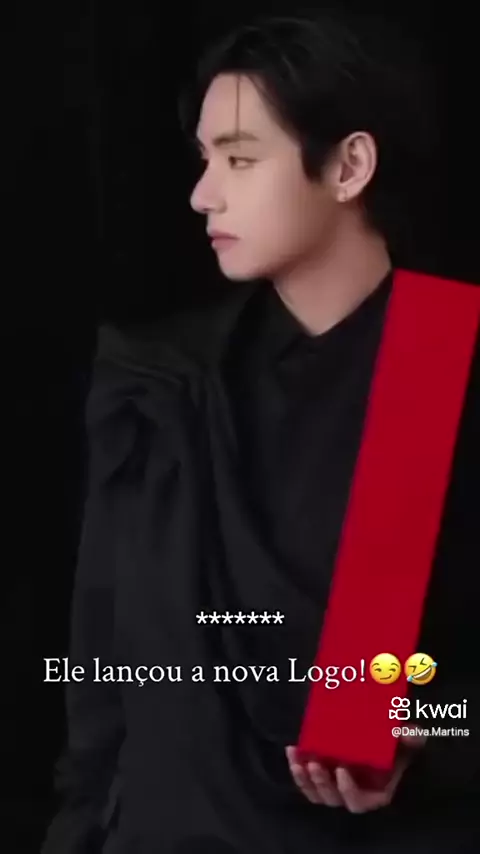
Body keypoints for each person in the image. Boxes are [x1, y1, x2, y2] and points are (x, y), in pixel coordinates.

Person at [42, 9, 479, 854]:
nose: (203, 194)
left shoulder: (442, 368)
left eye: (240, 159)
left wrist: (433, 735)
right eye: (206, 160)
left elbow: (443, 706)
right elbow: (103, 685)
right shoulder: (160, 383)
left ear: (349, 166)